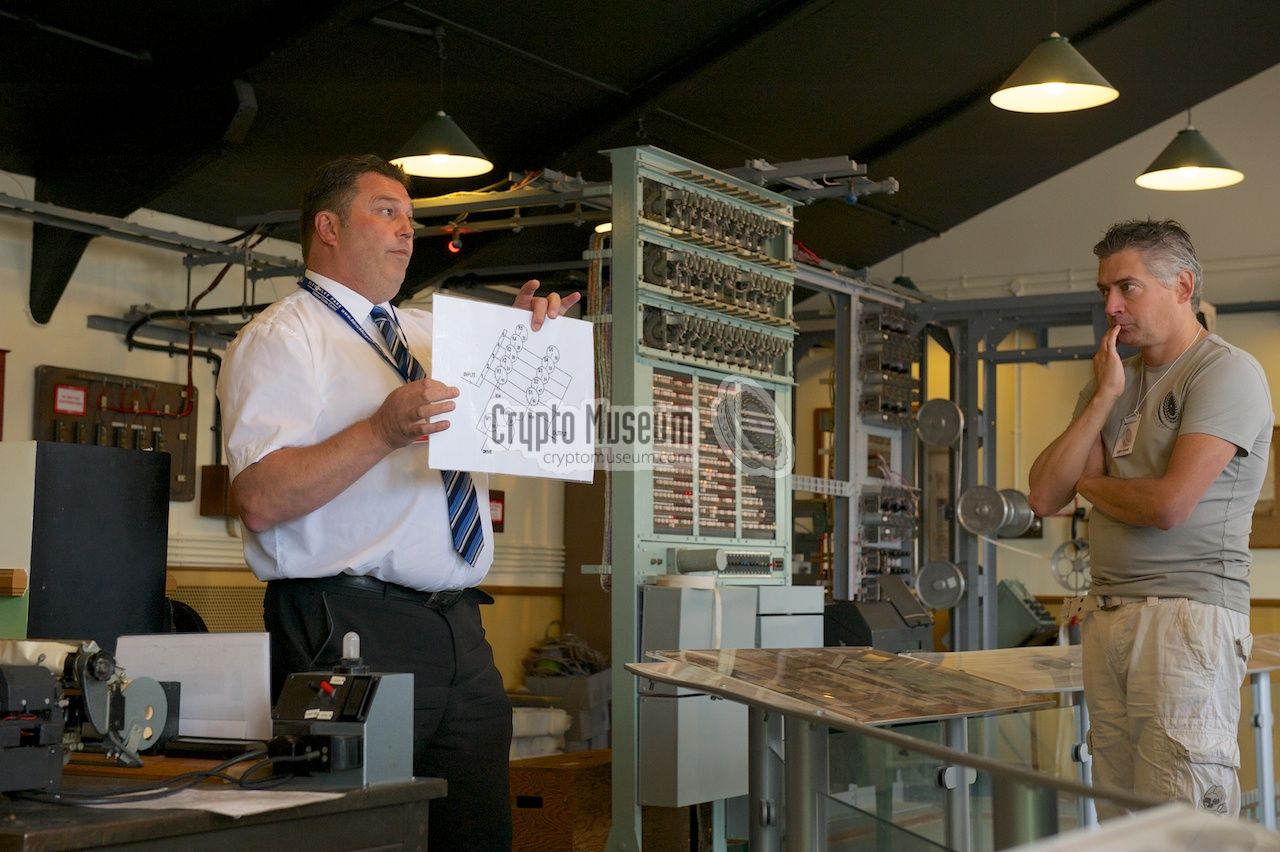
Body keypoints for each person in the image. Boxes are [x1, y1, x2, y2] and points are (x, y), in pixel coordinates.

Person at [218, 154, 579, 850]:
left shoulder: (427, 334)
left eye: (410, 218)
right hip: (347, 624)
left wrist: (518, 351)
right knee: (362, 837)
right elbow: (259, 500)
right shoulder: (284, 338)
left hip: (460, 634)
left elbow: (491, 439)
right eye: (386, 212)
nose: (407, 231)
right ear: (327, 227)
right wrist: (382, 430)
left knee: (475, 835)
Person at [1028, 219, 1273, 818]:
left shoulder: (1224, 371)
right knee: (1120, 818)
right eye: (1104, 291)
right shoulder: (1111, 382)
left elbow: (1169, 505)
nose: (1111, 307)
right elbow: (1042, 494)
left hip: (1185, 616)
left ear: (1183, 285)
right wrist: (1104, 399)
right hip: (1108, 615)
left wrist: (1088, 483)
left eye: (1127, 288)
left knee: (1182, 819)